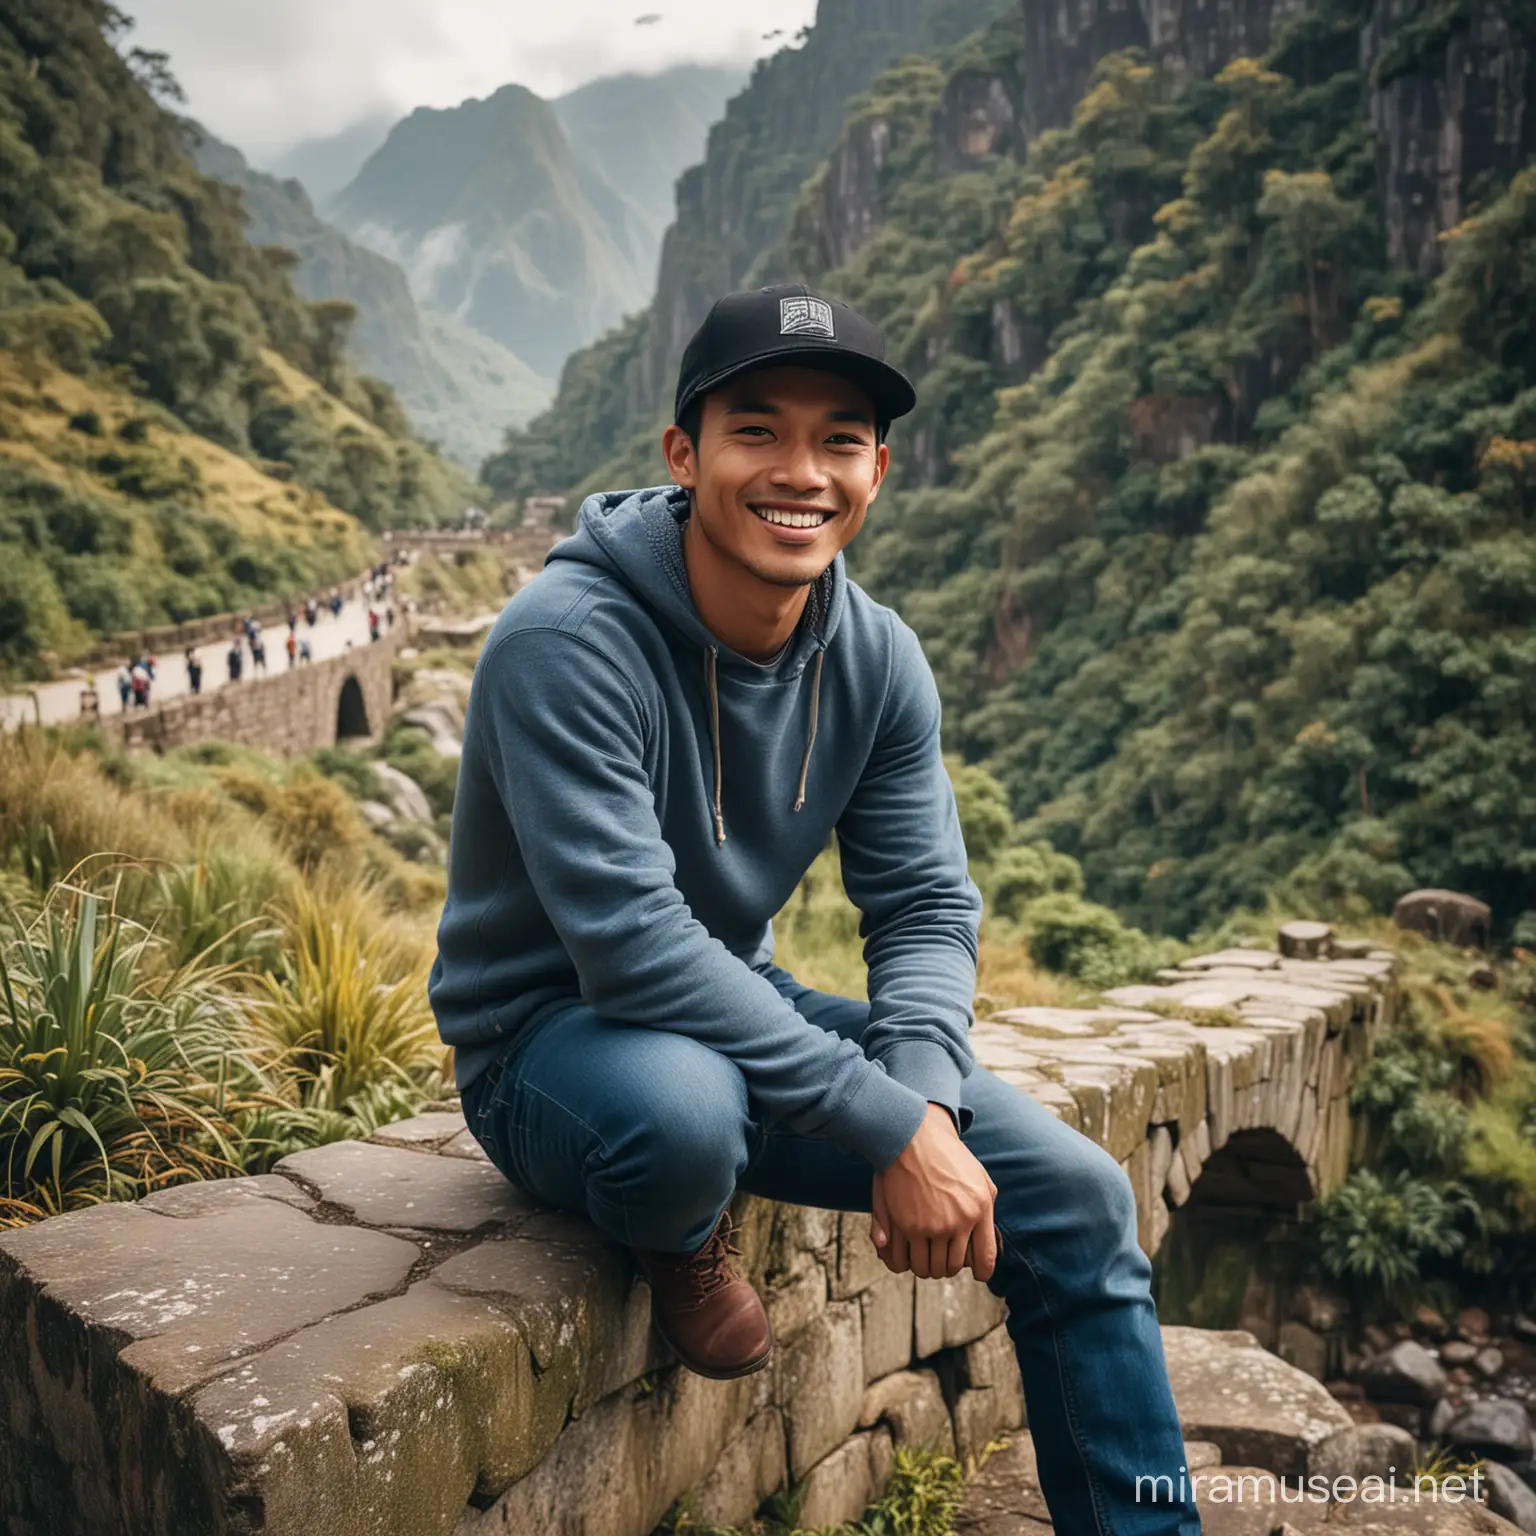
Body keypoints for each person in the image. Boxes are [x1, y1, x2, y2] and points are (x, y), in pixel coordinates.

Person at [430, 284, 1201, 1535]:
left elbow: (925, 909)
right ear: (685, 454)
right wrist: (888, 1129)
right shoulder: (562, 642)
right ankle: (678, 1236)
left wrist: (931, 1107)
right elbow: (627, 946)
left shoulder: (879, 657)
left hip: (735, 996)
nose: (802, 472)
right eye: (757, 431)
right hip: (546, 1036)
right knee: (685, 1118)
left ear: (879, 470)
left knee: (1077, 1195)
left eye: (839, 438)